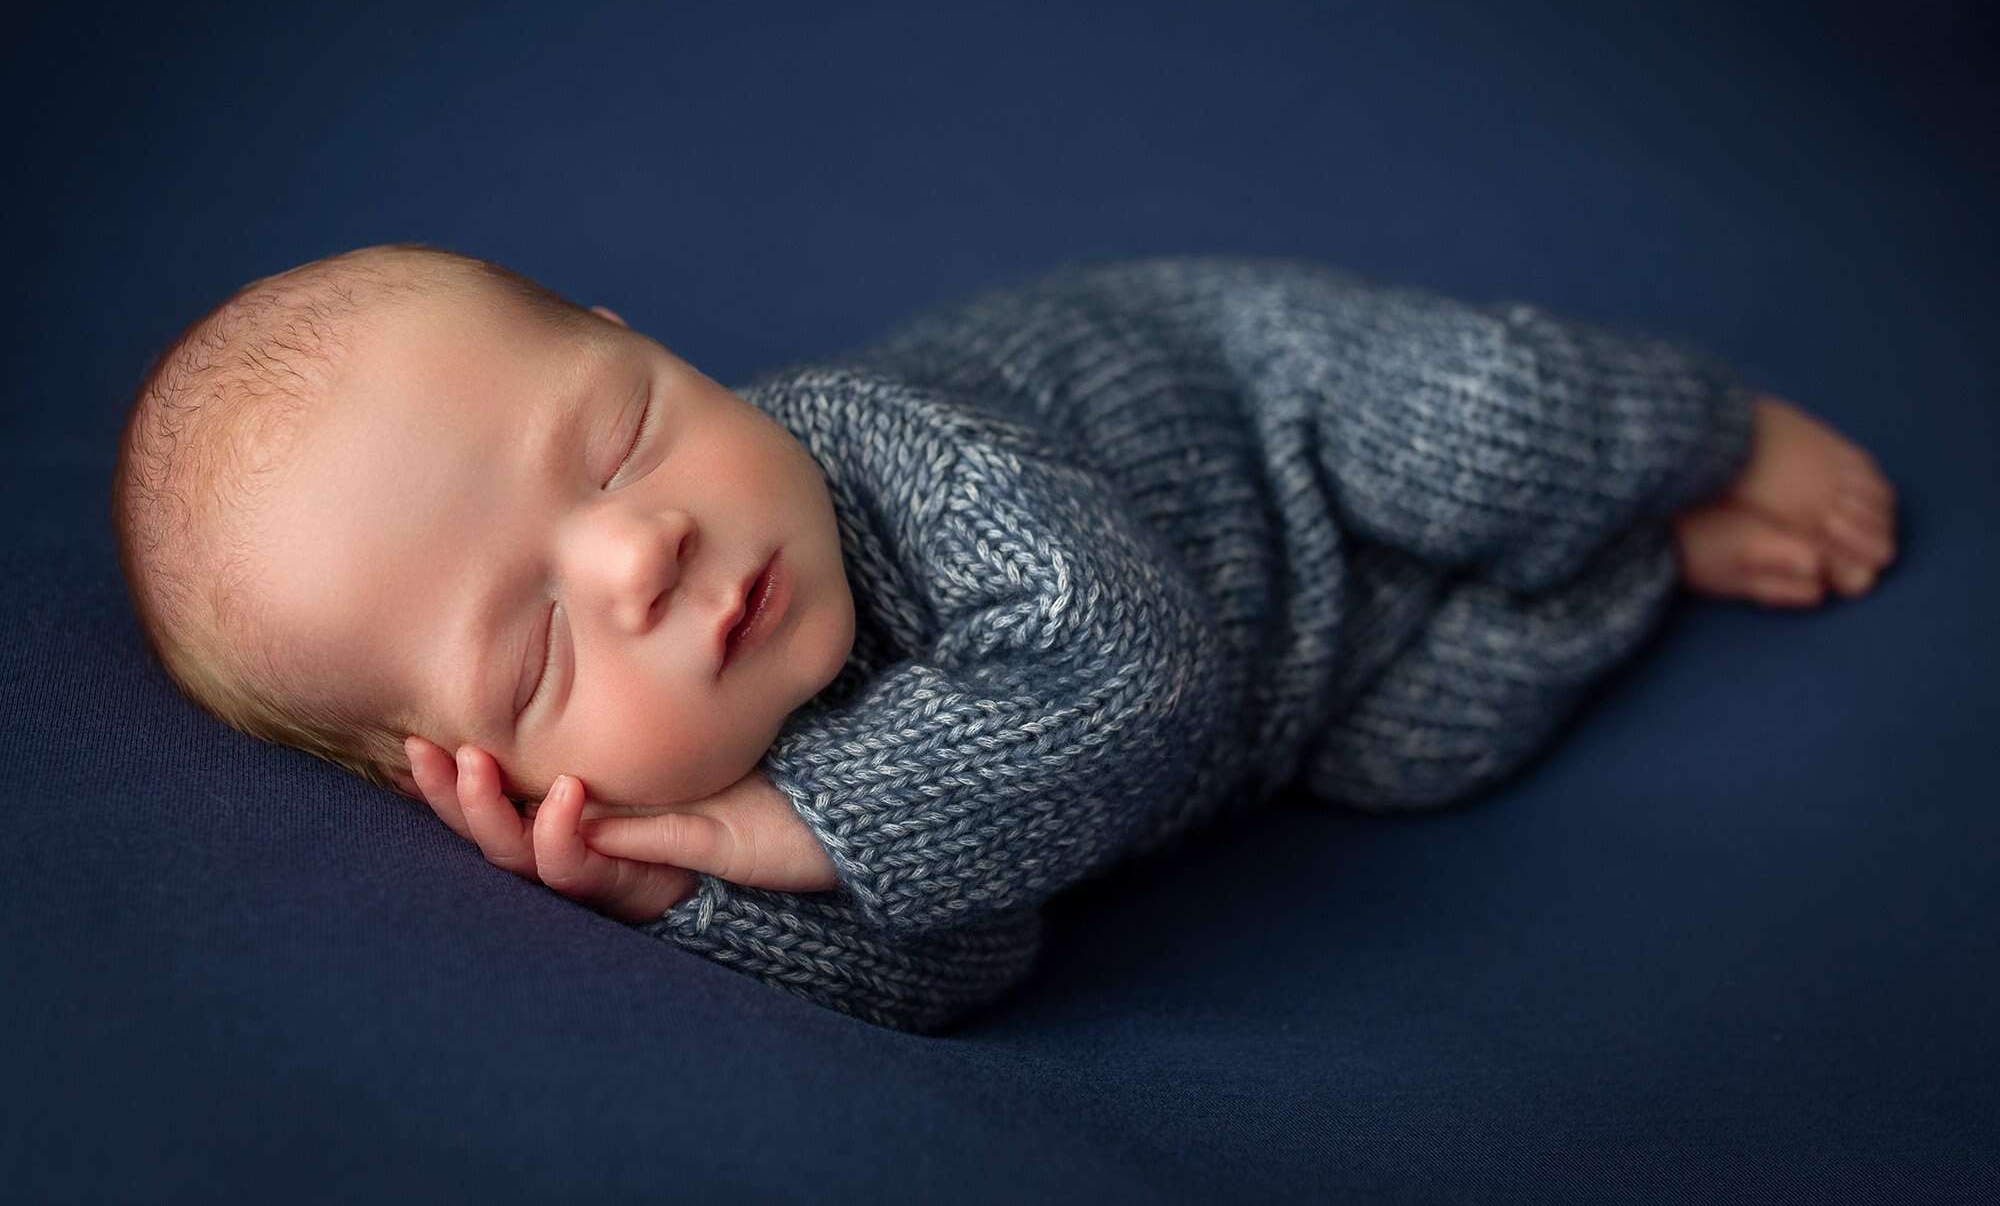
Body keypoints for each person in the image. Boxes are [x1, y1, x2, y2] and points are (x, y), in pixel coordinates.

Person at [109, 243, 1899, 1031]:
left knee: (1481, 425)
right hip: (1306, 689)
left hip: (1260, 412)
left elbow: (1134, 671)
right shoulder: (720, 774)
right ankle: (1639, 551)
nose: (641, 552)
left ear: (634, 333)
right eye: (537, 655)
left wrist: (798, 828)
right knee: (1436, 748)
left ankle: (1692, 432)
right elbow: (975, 960)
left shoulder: (879, 449)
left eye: (622, 432)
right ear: (480, 772)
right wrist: (697, 894)